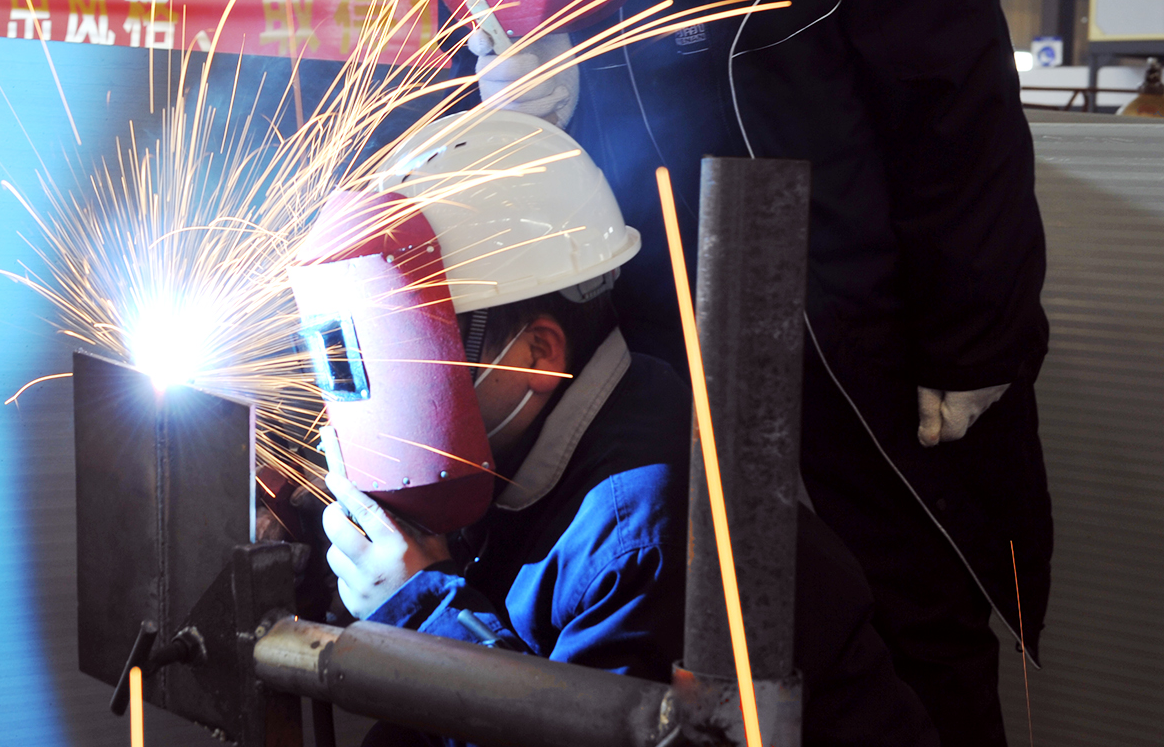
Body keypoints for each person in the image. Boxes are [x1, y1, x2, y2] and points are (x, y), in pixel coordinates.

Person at [360, 0, 1050, 744]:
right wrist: (514, 116)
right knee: (695, 649)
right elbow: (473, 138)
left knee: (909, 624)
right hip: (650, 353)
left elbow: (952, 96)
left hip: (854, 343)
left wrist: (975, 339)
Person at [294, 109, 936, 746]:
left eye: (413, 352)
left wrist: (421, 613)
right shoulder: (527, 439)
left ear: (537, 355)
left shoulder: (642, 535)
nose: (389, 386)